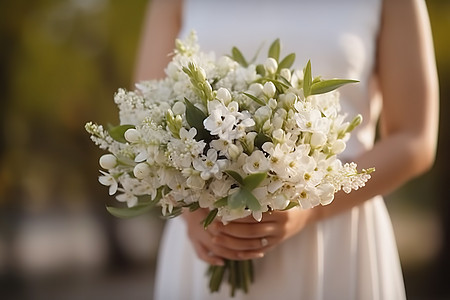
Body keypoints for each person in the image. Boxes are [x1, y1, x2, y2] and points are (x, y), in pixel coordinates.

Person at [134, 0, 439, 299]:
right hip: (210, 233)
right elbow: (146, 121)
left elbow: (415, 138)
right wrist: (193, 216)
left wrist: (314, 209)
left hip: (336, 234)